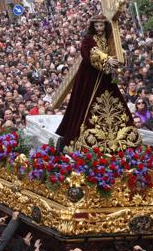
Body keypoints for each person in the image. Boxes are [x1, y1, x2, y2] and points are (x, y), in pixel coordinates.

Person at [55, 15, 140, 153]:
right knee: (86, 107)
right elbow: (89, 50)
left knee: (114, 105)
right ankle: (85, 140)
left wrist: (120, 56)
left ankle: (120, 140)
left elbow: (116, 50)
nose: (100, 29)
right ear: (93, 27)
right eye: (97, 26)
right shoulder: (88, 39)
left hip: (105, 77)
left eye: (101, 26)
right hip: (90, 77)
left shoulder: (109, 38)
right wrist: (106, 59)